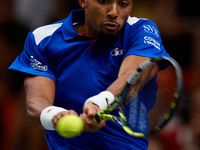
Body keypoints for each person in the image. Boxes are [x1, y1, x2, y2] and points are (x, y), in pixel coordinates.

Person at [8, 0, 170, 149]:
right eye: (104, 1)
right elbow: (36, 102)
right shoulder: (42, 38)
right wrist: (55, 116)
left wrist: (99, 103)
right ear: (83, 1)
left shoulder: (140, 29)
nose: (114, 12)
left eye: (123, 3)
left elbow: (133, 76)